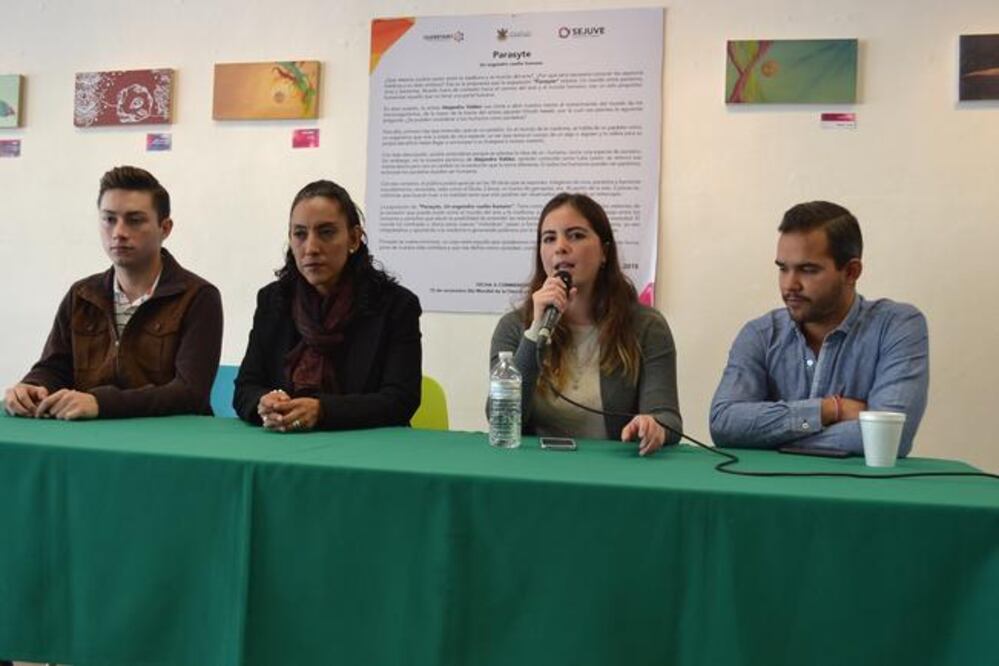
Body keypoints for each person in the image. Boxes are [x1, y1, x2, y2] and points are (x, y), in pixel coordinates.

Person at [709, 201, 929, 456]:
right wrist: (829, 410)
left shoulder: (897, 327)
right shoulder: (760, 334)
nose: (790, 285)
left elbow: (888, 438)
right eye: (783, 269)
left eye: (808, 270)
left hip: (861, 494)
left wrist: (769, 437)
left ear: (851, 272)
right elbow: (724, 425)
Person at [3, 166, 223, 419]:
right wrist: (32, 386)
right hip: (87, 436)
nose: (119, 232)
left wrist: (102, 403)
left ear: (165, 228)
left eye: (135, 220)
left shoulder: (197, 296)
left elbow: (189, 393)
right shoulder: (81, 294)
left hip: (169, 442)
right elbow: (54, 368)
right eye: (109, 219)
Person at [489, 192, 682, 456]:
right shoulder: (514, 326)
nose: (560, 247)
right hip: (534, 469)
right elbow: (500, 419)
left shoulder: (646, 326)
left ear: (604, 252)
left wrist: (653, 425)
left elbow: (668, 417)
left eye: (576, 235)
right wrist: (535, 331)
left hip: (614, 471)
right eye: (549, 239)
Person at [234, 180, 421, 431]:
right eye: (300, 234)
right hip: (284, 443)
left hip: (369, 448)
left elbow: (400, 400)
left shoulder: (396, 305)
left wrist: (322, 410)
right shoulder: (273, 300)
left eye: (326, 232)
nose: (311, 248)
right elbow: (246, 387)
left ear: (354, 238)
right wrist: (264, 404)